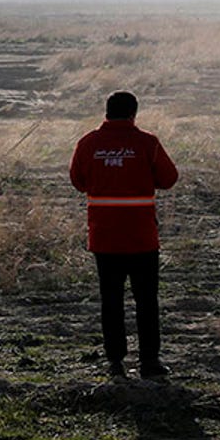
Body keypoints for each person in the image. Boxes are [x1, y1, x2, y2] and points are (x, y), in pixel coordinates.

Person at [69, 91, 178, 380]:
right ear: (133, 114)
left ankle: (115, 362)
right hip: (142, 238)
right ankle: (149, 363)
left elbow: (78, 181)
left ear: (106, 113)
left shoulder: (88, 143)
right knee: (146, 301)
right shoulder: (147, 143)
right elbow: (169, 179)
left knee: (111, 301)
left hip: (104, 238)